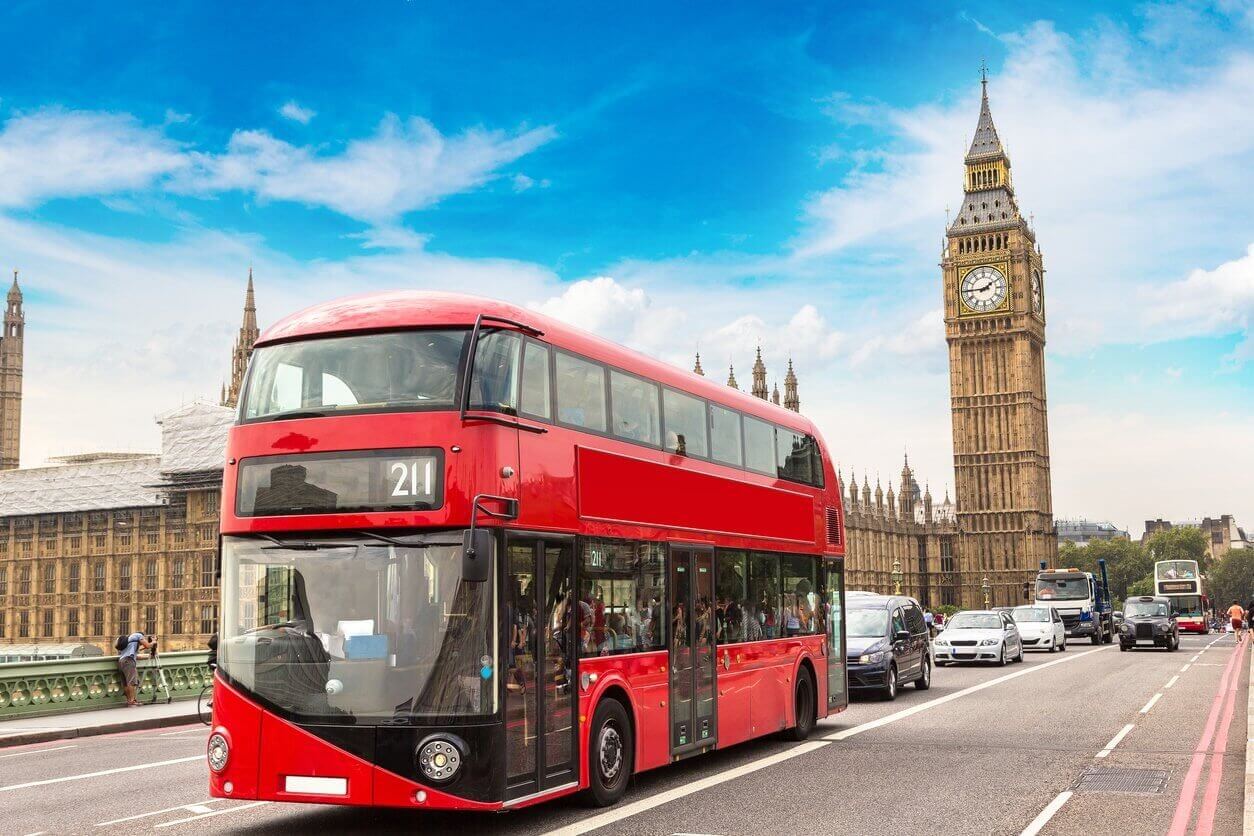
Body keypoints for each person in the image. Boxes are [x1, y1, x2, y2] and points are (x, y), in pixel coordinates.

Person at [118, 631, 153, 707]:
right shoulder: (138, 635)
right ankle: (132, 701)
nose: (141, 643)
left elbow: (136, 656)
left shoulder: (129, 641)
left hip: (121, 661)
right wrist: (154, 642)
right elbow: (147, 646)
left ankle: (129, 701)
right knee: (132, 682)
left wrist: (148, 656)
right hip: (129, 661)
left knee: (126, 683)